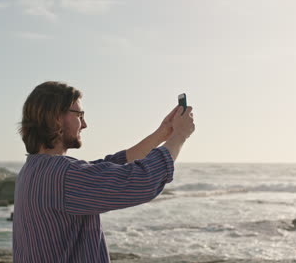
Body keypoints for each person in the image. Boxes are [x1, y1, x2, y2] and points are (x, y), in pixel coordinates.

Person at [13, 81, 195, 262]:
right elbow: (142, 180)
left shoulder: (35, 169)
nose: (84, 124)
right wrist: (179, 136)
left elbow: (113, 165)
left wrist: (162, 134)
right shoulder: (63, 175)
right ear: (56, 117)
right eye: (79, 115)